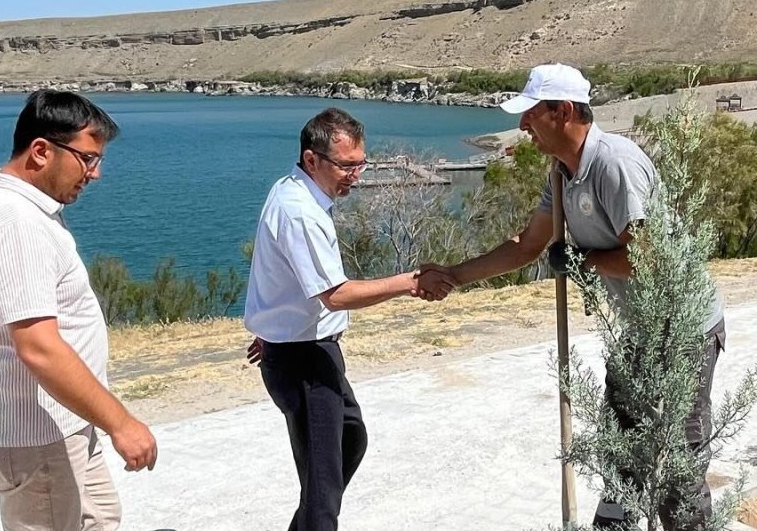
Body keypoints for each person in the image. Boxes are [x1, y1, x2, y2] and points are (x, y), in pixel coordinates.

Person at [420, 64, 726, 530]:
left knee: (678, 468)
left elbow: (650, 257)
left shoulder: (613, 164)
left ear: (562, 111)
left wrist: (584, 260)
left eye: (530, 114)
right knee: (621, 453)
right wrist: (455, 276)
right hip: (639, 326)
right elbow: (527, 245)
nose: (523, 125)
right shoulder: (562, 174)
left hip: (685, 326)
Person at [0, 90, 157, 531]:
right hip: (36, 437)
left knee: (100, 518)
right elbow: (38, 347)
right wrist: (122, 423)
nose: (95, 174)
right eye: (87, 159)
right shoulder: (13, 221)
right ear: (41, 151)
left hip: (63, 424)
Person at [243, 107, 453, 531]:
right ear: (311, 160)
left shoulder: (297, 192)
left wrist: (270, 328)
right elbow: (335, 296)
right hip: (302, 360)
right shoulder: (299, 210)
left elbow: (276, 274)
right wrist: (411, 281)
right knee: (323, 491)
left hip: (307, 350)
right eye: (346, 165)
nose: (356, 175)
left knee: (349, 441)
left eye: (361, 164)